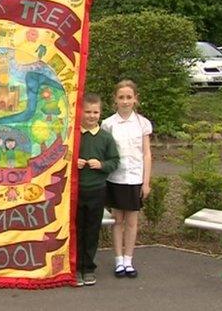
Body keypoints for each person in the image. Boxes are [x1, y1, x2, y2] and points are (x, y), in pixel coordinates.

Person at [101, 79, 153, 278]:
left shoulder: (142, 123)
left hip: (134, 179)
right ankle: (118, 260)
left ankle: (129, 260)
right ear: (115, 99)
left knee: (132, 221)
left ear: (135, 99)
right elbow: (105, 153)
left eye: (129, 97)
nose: (125, 101)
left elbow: (146, 154)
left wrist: (146, 182)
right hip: (115, 179)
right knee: (117, 220)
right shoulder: (108, 124)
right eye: (121, 97)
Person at [76, 93, 119, 287]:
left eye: (95, 112)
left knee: (92, 230)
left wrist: (101, 165)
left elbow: (115, 161)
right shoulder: (74, 136)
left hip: (97, 190)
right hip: (76, 191)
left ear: (101, 113)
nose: (92, 116)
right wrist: (73, 163)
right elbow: (62, 157)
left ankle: (88, 268)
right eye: (88, 112)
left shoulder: (106, 138)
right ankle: (75, 267)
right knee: (76, 229)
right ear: (81, 112)